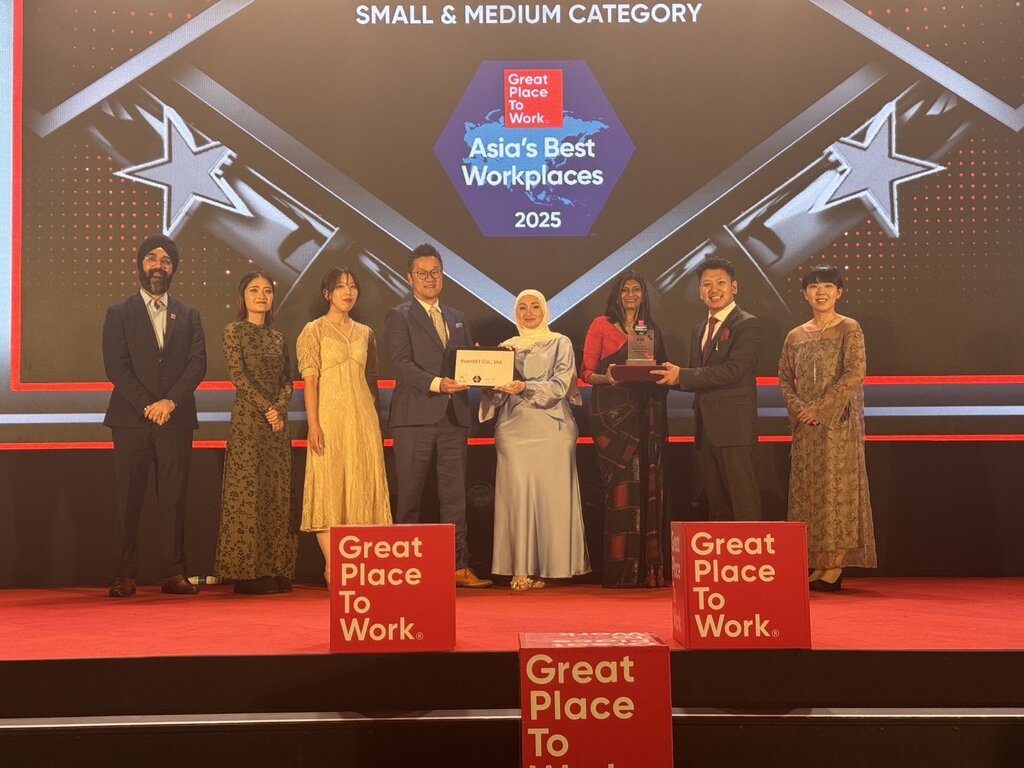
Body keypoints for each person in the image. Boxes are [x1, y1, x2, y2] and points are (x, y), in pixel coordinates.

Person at [102, 234, 207, 597]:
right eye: (151, 258)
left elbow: (197, 364)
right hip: (131, 420)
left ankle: (174, 572)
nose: (158, 265)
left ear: (174, 268)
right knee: (128, 498)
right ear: (140, 265)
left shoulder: (189, 314)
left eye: (165, 260)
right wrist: (149, 405)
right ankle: (124, 574)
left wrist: (169, 403)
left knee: (174, 499)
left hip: (175, 419)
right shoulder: (118, 312)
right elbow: (116, 366)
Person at [383, 244, 492, 588]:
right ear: (409, 278)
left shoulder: (458, 317)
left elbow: (467, 363)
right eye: (422, 273)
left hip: (453, 418)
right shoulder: (399, 316)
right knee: (410, 497)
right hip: (414, 417)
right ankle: (405, 569)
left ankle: (458, 566)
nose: (429, 279)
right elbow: (400, 364)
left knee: (455, 497)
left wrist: (483, 365)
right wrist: (436, 384)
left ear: (442, 275)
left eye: (435, 272)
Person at [480, 290, 591, 590]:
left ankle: (551, 567)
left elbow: (561, 385)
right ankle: (520, 568)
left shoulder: (560, 342)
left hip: (553, 429)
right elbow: (497, 395)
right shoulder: (505, 347)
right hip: (513, 430)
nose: (528, 313)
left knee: (552, 498)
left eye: (535, 307)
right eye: (522, 308)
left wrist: (524, 387)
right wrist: (485, 380)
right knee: (516, 498)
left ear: (545, 311)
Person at [778, 265, 876, 591]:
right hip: (805, 428)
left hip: (838, 425)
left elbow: (855, 372)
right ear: (805, 293)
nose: (821, 292)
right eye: (814, 286)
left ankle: (834, 565)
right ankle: (818, 561)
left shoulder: (849, 327)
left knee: (836, 491)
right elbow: (783, 378)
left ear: (839, 292)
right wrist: (800, 411)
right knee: (809, 492)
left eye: (828, 286)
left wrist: (820, 410)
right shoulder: (795, 335)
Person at [297, 267, 391, 583]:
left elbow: (372, 380)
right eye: (340, 287)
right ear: (327, 294)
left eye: (352, 286)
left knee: (363, 483)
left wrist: (374, 420)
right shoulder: (313, 330)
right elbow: (310, 381)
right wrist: (314, 424)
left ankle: (361, 564)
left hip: (363, 418)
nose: (347, 292)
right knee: (329, 485)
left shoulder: (365, 333)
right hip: (329, 417)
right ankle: (333, 565)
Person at [654, 257, 762, 520]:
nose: (714, 289)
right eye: (706, 284)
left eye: (720, 283)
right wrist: (662, 377)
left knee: (744, 504)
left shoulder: (747, 324)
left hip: (734, 430)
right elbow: (698, 376)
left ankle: (750, 548)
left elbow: (733, 371)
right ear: (700, 291)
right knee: (716, 508)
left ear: (734, 287)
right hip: (705, 431)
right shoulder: (699, 329)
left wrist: (682, 375)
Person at [581, 270, 669, 588]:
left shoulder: (649, 330)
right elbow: (587, 372)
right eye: (625, 290)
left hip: (643, 417)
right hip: (611, 418)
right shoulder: (600, 325)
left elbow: (660, 372)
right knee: (620, 488)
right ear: (616, 295)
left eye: (636, 289)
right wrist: (608, 378)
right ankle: (620, 571)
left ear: (644, 295)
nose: (630, 295)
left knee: (645, 484)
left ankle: (645, 570)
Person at [214, 272, 297, 595]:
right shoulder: (233, 331)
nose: (261, 296)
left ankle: (276, 568)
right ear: (243, 296)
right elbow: (239, 377)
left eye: (267, 291)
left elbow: (288, 380)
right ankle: (247, 573)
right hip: (249, 423)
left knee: (276, 494)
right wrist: (267, 408)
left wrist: (279, 408)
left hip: (277, 426)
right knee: (248, 495)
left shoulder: (278, 337)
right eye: (254, 290)